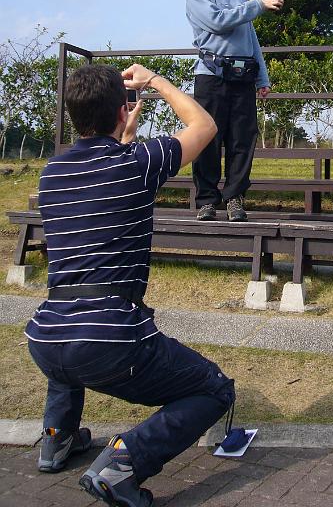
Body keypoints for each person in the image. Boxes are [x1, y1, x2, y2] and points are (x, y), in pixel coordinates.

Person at [26, 63, 235, 507]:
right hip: (110, 341)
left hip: (45, 337)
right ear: (123, 111)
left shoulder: (52, 174)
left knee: (72, 330)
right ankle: (123, 462)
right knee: (214, 388)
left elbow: (100, 184)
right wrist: (154, 81)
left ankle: (56, 439)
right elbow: (204, 125)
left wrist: (122, 131)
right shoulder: (136, 163)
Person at [186, 0, 284, 222]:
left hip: (243, 78)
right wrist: (259, 4)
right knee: (207, 139)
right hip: (211, 78)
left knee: (243, 140)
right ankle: (206, 201)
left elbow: (250, 38)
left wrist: (262, 78)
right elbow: (219, 21)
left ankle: (235, 198)